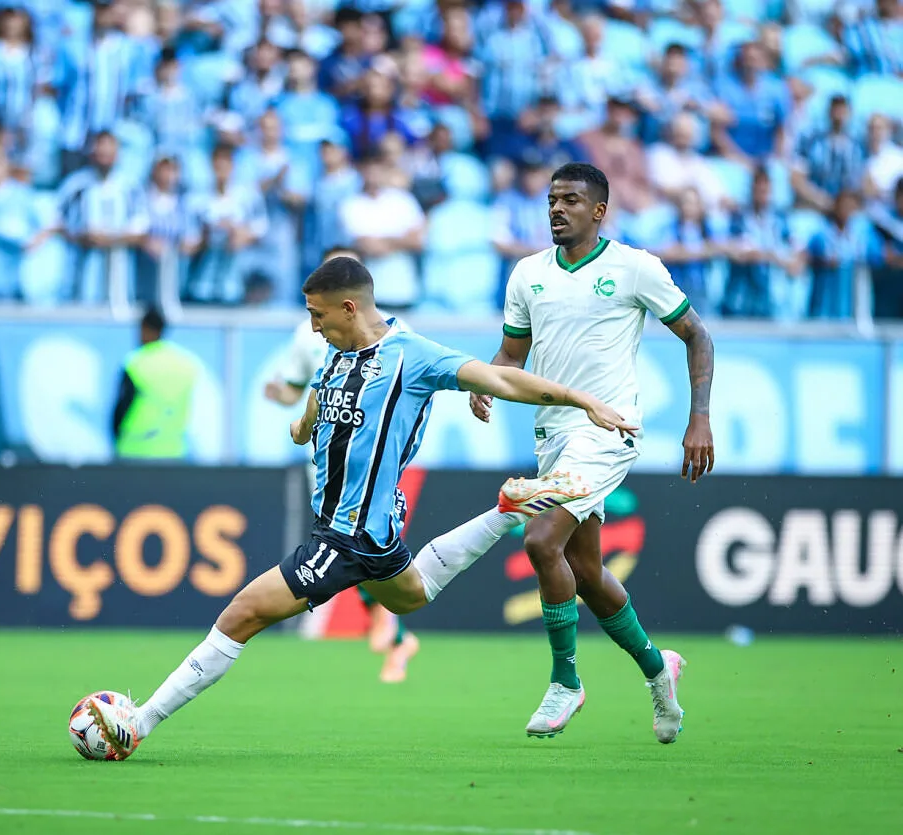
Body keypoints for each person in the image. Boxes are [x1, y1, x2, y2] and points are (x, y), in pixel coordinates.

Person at [88, 255, 637, 759]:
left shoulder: (413, 355)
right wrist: (305, 424)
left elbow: (499, 377)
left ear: (350, 307)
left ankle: (140, 723)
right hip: (375, 534)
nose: (313, 326)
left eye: (318, 314)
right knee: (411, 598)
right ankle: (507, 511)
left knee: (240, 616)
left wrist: (582, 400)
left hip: (345, 537)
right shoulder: (336, 350)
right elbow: (322, 390)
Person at [400, 163, 716, 743]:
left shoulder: (635, 268)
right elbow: (513, 351)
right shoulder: (527, 274)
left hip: (609, 431)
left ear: (598, 210)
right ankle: (658, 670)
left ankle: (565, 680)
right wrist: (488, 381)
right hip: (553, 434)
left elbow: (697, 333)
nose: (556, 209)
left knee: (540, 538)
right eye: (551, 200)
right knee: (589, 574)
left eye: (570, 200)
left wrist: (699, 418)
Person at [262, 245, 418, 683]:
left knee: (354, 544)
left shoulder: (394, 334)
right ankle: (392, 629)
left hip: (369, 470)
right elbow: (303, 390)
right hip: (327, 466)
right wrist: (286, 400)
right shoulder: (306, 334)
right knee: (349, 552)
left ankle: (394, 631)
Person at [111, 306, 201, 461]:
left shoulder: (135, 363)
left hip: (134, 449)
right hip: (174, 450)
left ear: (144, 328)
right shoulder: (186, 363)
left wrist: (116, 437)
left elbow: (122, 406)